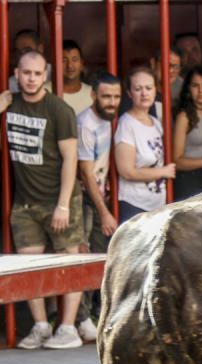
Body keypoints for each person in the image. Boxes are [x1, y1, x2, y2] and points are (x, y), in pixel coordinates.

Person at [0, 50, 85, 350]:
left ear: (46, 74)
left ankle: (67, 327)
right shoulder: (10, 105)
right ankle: (40, 326)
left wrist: (62, 204)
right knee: (28, 265)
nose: (31, 79)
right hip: (25, 202)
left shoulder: (59, 110)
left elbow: (70, 159)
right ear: (16, 74)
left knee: (69, 259)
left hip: (58, 198)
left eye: (37, 73)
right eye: (26, 73)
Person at [75, 71, 122, 342]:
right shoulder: (86, 124)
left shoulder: (107, 120)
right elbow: (85, 173)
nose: (111, 102)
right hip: (86, 199)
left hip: (97, 197)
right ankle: (82, 318)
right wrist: (104, 211)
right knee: (84, 255)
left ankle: (93, 314)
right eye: (106, 96)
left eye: (116, 97)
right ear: (93, 95)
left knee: (98, 255)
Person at [114, 66, 174, 222]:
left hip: (158, 205)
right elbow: (126, 171)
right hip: (135, 205)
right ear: (129, 93)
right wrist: (164, 172)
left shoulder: (155, 123)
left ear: (155, 90)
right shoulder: (126, 124)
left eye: (149, 88)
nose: (144, 93)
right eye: (138, 89)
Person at [173, 66, 202, 200]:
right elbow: (176, 161)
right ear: (188, 89)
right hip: (190, 180)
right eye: (195, 85)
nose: (201, 90)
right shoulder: (184, 116)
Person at [61, 40, 92, 114]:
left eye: (74, 60)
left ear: (82, 64)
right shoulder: (44, 91)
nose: (69, 65)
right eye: (64, 60)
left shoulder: (92, 94)